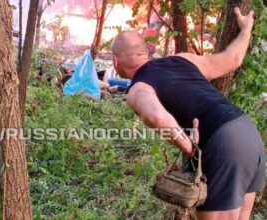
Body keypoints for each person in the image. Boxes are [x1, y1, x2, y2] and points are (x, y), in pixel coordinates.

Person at [111, 7, 265, 220]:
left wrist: (189, 147)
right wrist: (246, 29)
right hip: (247, 132)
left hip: (222, 144)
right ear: (146, 52)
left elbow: (155, 117)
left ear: (115, 61)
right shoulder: (183, 60)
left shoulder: (138, 89)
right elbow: (233, 59)